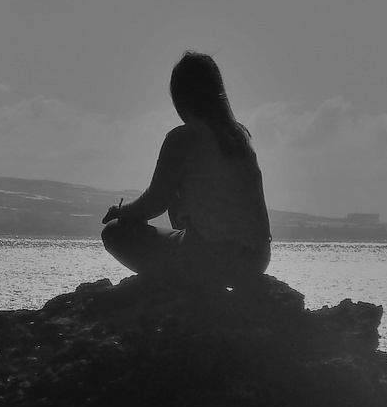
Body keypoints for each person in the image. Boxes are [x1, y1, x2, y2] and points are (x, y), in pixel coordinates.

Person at [101, 51, 271, 284]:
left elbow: (154, 202)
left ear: (180, 96)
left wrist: (120, 212)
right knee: (179, 195)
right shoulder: (239, 137)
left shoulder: (183, 137)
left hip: (208, 258)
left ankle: (183, 282)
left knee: (113, 232)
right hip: (255, 260)